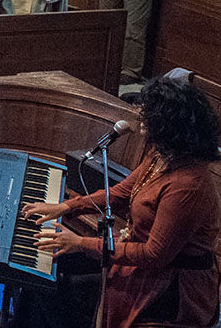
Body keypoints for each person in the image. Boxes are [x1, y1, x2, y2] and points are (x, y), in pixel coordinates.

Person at [20, 76, 220, 328]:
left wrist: (80, 243)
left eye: (148, 114)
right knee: (36, 273)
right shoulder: (161, 154)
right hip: (140, 263)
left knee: (54, 289)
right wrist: (66, 206)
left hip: (170, 287)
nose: (140, 118)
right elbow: (120, 193)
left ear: (169, 124)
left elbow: (153, 255)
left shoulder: (188, 186)